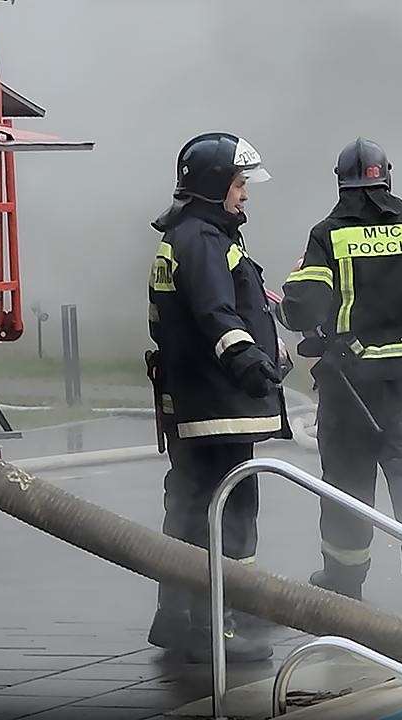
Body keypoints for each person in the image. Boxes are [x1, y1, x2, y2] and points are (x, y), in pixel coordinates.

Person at [279, 138, 402, 608]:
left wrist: (295, 283)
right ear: (388, 176)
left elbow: (303, 310)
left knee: (348, 480)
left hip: (350, 381)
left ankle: (345, 581)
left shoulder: (328, 234)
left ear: (339, 180)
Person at [145, 132, 291, 662]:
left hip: (199, 400)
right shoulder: (204, 240)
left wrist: (267, 351)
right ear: (213, 186)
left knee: (190, 506)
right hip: (215, 404)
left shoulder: (193, 235)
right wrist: (250, 363)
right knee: (224, 510)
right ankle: (216, 627)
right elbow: (215, 314)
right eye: (238, 183)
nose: (244, 195)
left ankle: (184, 617)